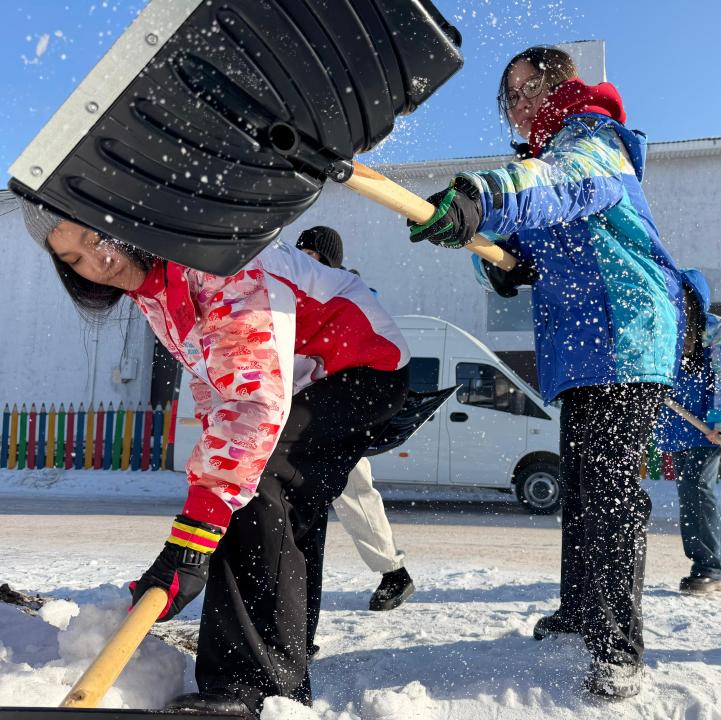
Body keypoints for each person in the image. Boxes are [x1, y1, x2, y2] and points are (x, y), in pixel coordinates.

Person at [18, 203, 411, 716]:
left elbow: (252, 403)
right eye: (73, 258)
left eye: (97, 239)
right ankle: (282, 667)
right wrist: (206, 510)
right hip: (309, 377)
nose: (98, 261)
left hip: (359, 365)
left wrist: (194, 536)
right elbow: (216, 384)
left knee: (259, 484)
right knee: (261, 500)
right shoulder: (153, 288)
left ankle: (251, 688)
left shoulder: (213, 260)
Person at [407, 45, 685, 698]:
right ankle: (582, 611)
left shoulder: (595, 138)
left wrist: (480, 195)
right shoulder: (541, 165)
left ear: (563, 84)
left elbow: (562, 184)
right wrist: (483, 247)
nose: (521, 101)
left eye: (531, 87)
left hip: (627, 334)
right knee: (582, 489)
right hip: (583, 351)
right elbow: (512, 246)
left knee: (610, 490)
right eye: (511, 94)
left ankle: (618, 646)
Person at [295, 225, 415, 612]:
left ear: (328, 260)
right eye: (301, 253)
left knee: (352, 493)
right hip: (305, 411)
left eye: (311, 255)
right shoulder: (299, 290)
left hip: (337, 411)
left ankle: (393, 572)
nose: (303, 261)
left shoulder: (349, 294)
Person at [656, 269, 721, 595]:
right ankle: (717, 569)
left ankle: (709, 568)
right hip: (681, 426)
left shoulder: (717, 329)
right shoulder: (668, 331)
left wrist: (720, 419)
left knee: (696, 490)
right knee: (694, 492)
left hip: (709, 427)